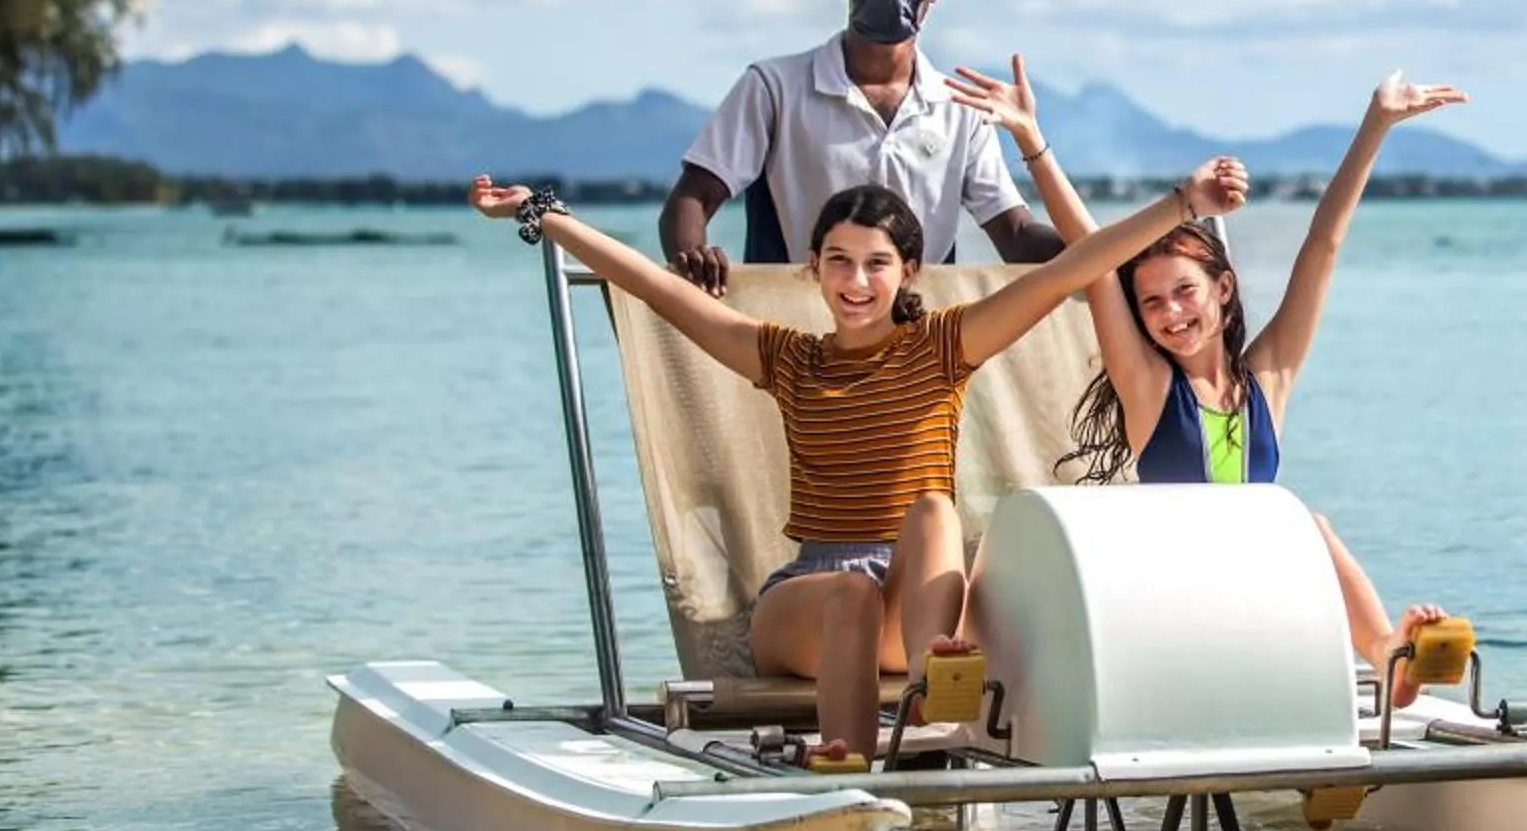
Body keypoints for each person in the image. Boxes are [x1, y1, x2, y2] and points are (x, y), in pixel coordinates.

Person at [473, 156, 1249, 760]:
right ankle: (848, 760)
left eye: (876, 263)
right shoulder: (786, 358)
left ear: (906, 271)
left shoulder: (944, 346)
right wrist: (548, 217)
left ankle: (931, 681)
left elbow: (1069, 271)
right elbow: (656, 289)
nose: (856, 281)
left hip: (919, 606)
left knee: (936, 510)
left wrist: (1183, 205)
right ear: (813, 267)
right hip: (810, 599)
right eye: (839, 261)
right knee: (848, 591)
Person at [946, 58, 1469, 704]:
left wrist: (1376, 123)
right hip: (1175, 597)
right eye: (1152, 304)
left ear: (1223, 289)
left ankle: (1385, 654)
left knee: (1310, 524)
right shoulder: (1148, 387)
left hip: (1254, 597)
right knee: (1305, 523)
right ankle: (1378, 653)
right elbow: (1091, 259)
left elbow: (1323, 247)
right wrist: (1031, 139)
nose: (1170, 314)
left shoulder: (1267, 380)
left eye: (1184, 293)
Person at [658, 0, 1064, 293]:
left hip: (918, 342)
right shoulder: (774, 87)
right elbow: (693, 197)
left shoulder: (959, 108)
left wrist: (1111, 257)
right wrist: (693, 259)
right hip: (798, 336)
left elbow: (1015, 235)